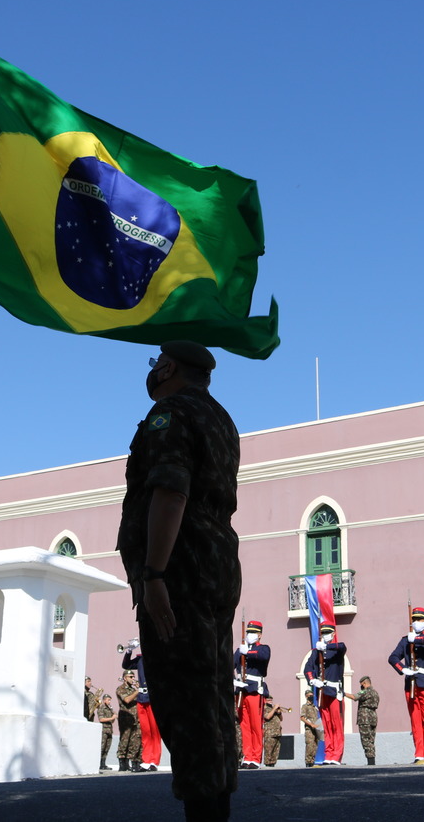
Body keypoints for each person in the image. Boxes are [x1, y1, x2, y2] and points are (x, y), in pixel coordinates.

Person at [116, 341, 241, 821]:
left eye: (155, 362)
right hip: (215, 560)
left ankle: (204, 814)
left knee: (184, 702)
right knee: (209, 694)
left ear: (168, 366)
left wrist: (153, 574)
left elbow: (170, 491)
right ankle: (217, 807)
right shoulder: (220, 418)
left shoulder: (169, 414)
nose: (152, 370)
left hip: (181, 566)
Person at [388, 607, 424, 764]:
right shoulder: (405, 640)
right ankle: (419, 753)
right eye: (414, 620)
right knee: (415, 719)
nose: (416, 623)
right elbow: (392, 657)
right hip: (411, 684)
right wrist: (403, 669)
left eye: (420, 620)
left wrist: (416, 640)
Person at [304, 622, 348, 764]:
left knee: (336, 724)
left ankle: (337, 754)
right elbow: (308, 669)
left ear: (333, 634)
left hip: (334, 692)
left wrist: (326, 646)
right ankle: (329, 754)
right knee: (327, 725)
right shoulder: (315, 652)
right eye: (323, 633)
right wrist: (312, 681)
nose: (325, 635)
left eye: (327, 633)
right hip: (322, 692)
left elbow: (342, 646)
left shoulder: (336, 649)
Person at [235, 619, 271, 769]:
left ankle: (256, 757)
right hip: (241, 690)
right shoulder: (240, 650)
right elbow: (230, 664)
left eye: (253, 633)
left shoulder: (263, 648)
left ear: (260, 635)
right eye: (248, 632)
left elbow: (263, 656)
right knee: (244, 725)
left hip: (255, 690)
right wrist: (234, 681)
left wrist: (248, 652)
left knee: (256, 725)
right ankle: (247, 756)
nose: (250, 635)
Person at [120, 642, 160, 772]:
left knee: (155, 731)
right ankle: (146, 760)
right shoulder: (140, 659)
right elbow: (126, 666)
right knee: (145, 731)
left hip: (153, 698)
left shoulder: (157, 657)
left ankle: (154, 761)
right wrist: (129, 650)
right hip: (142, 699)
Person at [344, 676, 380, 765]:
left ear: (364, 683)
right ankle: (372, 761)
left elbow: (354, 697)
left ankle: (370, 762)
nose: (361, 686)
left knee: (366, 740)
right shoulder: (375, 692)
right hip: (373, 717)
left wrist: (343, 693)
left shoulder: (365, 691)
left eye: (362, 685)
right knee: (371, 740)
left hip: (365, 718)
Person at [115, 669, 142, 772]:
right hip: (126, 718)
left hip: (136, 718)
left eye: (133, 677)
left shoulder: (132, 689)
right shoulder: (121, 689)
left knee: (135, 741)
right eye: (131, 677)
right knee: (124, 740)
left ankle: (132, 761)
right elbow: (127, 700)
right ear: (125, 678)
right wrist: (137, 691)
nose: (133, 679)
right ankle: (123, 762)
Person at [261, 696, 284, 767]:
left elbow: (281, 719)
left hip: (277, 732)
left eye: (271, 700)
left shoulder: (273, 708)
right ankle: (267, 764)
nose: (270, 701)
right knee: (269, 750)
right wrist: (274, 709)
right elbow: (267, 717)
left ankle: (273, 763)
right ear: (265, 700)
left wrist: (279, 712)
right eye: (268, 700)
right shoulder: (264, 708)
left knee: (276, 750)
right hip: (270, 732)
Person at [97, 693, 117, 771]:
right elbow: (101, 719)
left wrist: (114, 717)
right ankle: (98, 763)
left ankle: (103, 763)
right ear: (104, 700)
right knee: (102, 747)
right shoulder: (102, 708)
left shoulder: (109, 708)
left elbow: (111, 721)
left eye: (110, 700)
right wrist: (111, 717)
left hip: (109, 730)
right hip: (104, 730)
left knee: (107, 748)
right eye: (108, 700)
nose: (109, 702)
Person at [300, 698, 322, 768]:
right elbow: (302, 718)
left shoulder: (315, 707)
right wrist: (311, 724)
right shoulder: (305, 706)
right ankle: (308, 763)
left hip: (316, 729)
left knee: (315, 746)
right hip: (309, 730)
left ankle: (312, 762)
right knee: (309, 746)